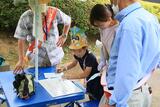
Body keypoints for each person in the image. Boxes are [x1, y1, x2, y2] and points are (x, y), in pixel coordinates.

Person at [101, 0, 160, 107]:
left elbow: (127, 71)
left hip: (127, 97)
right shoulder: (151, 18)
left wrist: (116, 102)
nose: (112, 3)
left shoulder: (129, 24)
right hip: (142, 91)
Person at [13, 4, 71, 73]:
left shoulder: (55, 12)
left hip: (55, 56)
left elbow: (68, 20)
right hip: (36, 57)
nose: (42, 16)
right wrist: (21, 60)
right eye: (38, 13)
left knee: (55, 78)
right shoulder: (25, 17)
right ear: (31, 8)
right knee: (35, 78)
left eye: (43, 13)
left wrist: (64, 35)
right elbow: (21, 38)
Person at [57, 27, 103, 100]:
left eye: (78, 51)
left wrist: (69, 77)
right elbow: (73, 64)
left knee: (97, 99)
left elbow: (85, 74)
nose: (76, 53)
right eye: (74, 50)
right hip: (89, 81)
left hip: (97, 82)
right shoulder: (77, 55)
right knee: (90, 97)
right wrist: (64, 68)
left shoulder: (90, 57)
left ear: (85, 48)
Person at [90, 3, 119, 103]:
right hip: (109, 67)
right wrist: (103, 61)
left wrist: (110, 65)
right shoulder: (103, 28)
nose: (100, 27)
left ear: (109, 18)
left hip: (117, 69)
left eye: (101, 25)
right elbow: (103, 46)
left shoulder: (119, 29)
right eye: (97, 25)